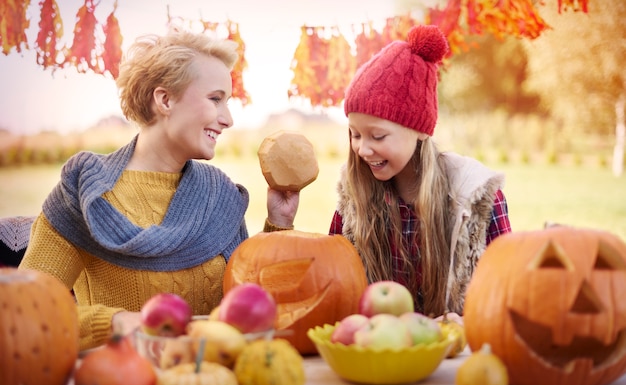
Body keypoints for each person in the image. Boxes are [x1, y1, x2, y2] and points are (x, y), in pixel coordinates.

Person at [19, 27, 298, 352]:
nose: (228, 119)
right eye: (215, 99)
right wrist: (114, 323)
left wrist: (278, 224)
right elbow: (26, 310)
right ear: (164, 99)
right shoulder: (85, 193)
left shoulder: (219, 195)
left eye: (228, 102)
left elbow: (249, 306)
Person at [328, 25, 511, 321]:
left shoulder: (475, 198)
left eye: (377, 136)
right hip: (379, 354)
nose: (362, 149)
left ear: (421, 132)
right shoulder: (354, 201)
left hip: (455, 357)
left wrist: (465, 324)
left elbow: (506, 289)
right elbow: (331, 281)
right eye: (355, 134)